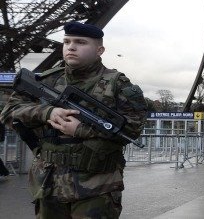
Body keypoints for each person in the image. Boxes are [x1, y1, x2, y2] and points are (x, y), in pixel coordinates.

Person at [0, 21, 147, 218]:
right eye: (67, 41)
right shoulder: (46, 80)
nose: (71, 47)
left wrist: (80, 130)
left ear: (99, 50)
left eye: (80, 42)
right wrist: (47, 112)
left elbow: (131, 132)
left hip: (97, 186)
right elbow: (9, 113)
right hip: (48, 183)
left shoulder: (119, 86)